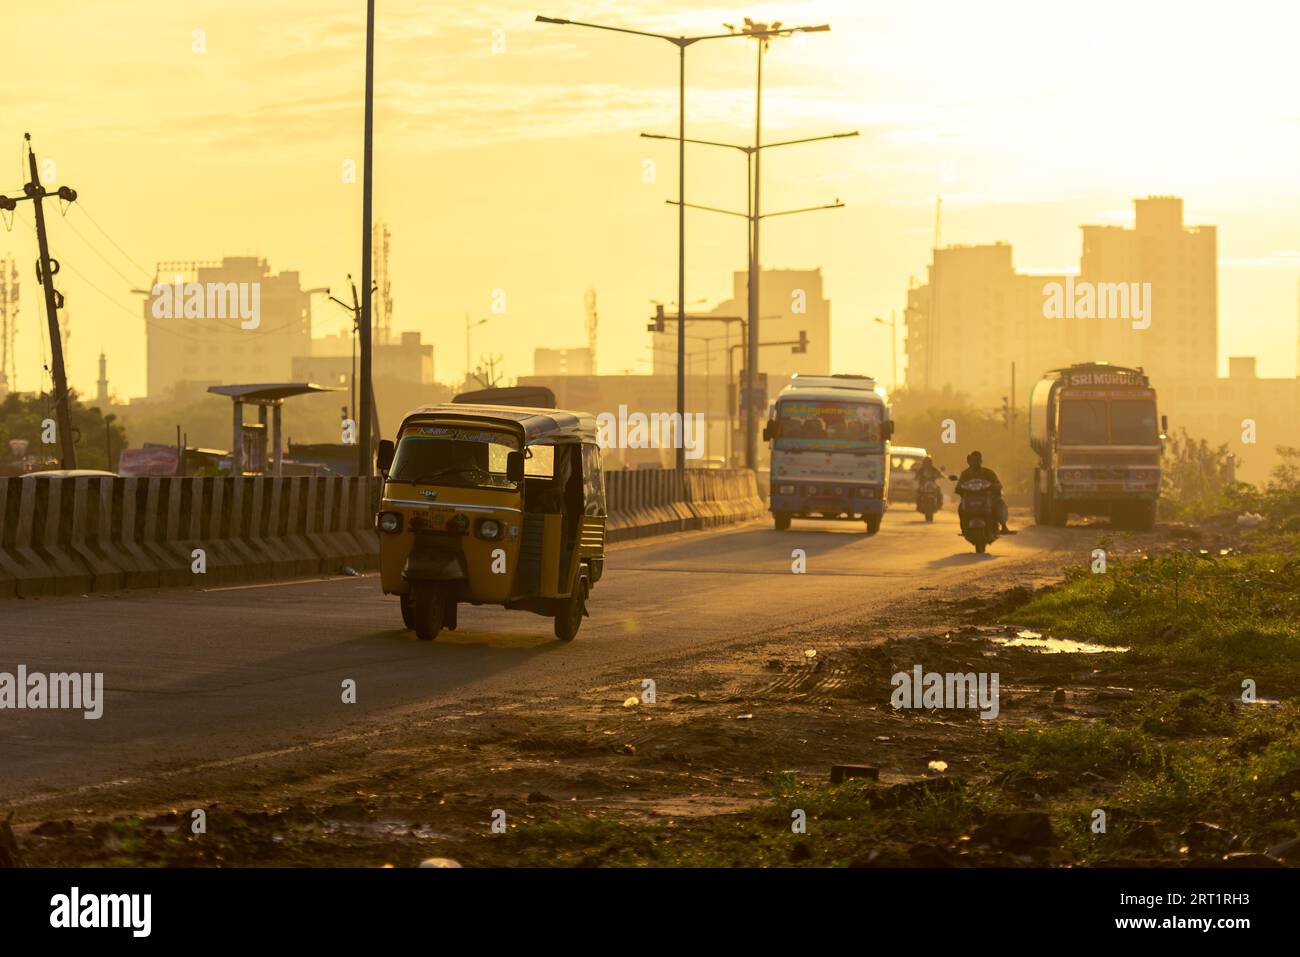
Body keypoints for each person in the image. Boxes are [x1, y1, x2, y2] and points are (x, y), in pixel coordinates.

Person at [957, 450, 1015, 534]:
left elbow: (998, 483)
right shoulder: (965, 474)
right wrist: (959, 489)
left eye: (977, 460)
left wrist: (995, 487)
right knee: (961, 507)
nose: (975, 462)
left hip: (987, 497)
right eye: (973, 460)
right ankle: (964, 527)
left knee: (1000, 504)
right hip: (970, 498)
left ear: (981, 461)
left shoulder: (988, 472)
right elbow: (959, 485)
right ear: (970, 461)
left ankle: (1004, 526)